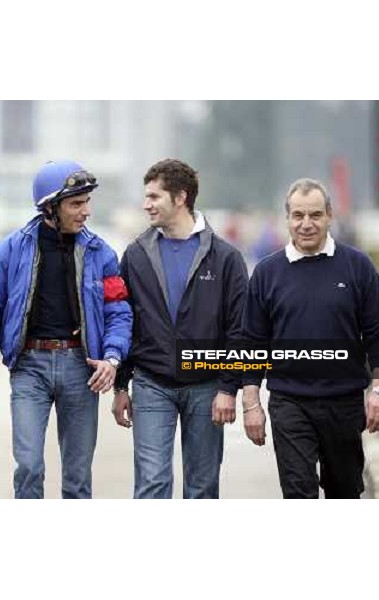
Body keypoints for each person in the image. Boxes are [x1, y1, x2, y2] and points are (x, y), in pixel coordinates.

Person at [0, 160, 132, 499]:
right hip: (29, 369)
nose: (86, 211)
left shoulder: (102, 253)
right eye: (76, 204)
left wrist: (112, 358)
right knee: (28, 468)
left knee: (78, 477)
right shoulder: (9, 250)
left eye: (87, 202)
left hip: (81, 370)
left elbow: (118, 313)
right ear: (50, 207)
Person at [242, 178, 379, 499]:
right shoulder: (268, 273)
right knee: (299, 493)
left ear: (329, 215)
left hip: (345, 403)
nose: (306, 224)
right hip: (289, 402)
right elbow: (253, 341)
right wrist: (251, 403)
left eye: (314, 215)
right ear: (287, 219)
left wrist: (378, 391)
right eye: (298, 215)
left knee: (345, 492)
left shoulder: (358, 266)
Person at [112, 158, 249, 499]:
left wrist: (229, 388)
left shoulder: (225, 258)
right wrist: (120, 385)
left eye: (154, 197)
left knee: (202, 488)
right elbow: (125, 321)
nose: (146, 205)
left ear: (180, 198)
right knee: (151, 484)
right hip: (151, 382)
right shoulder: (135, 255)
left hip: (207, 384)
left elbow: (239, 329)